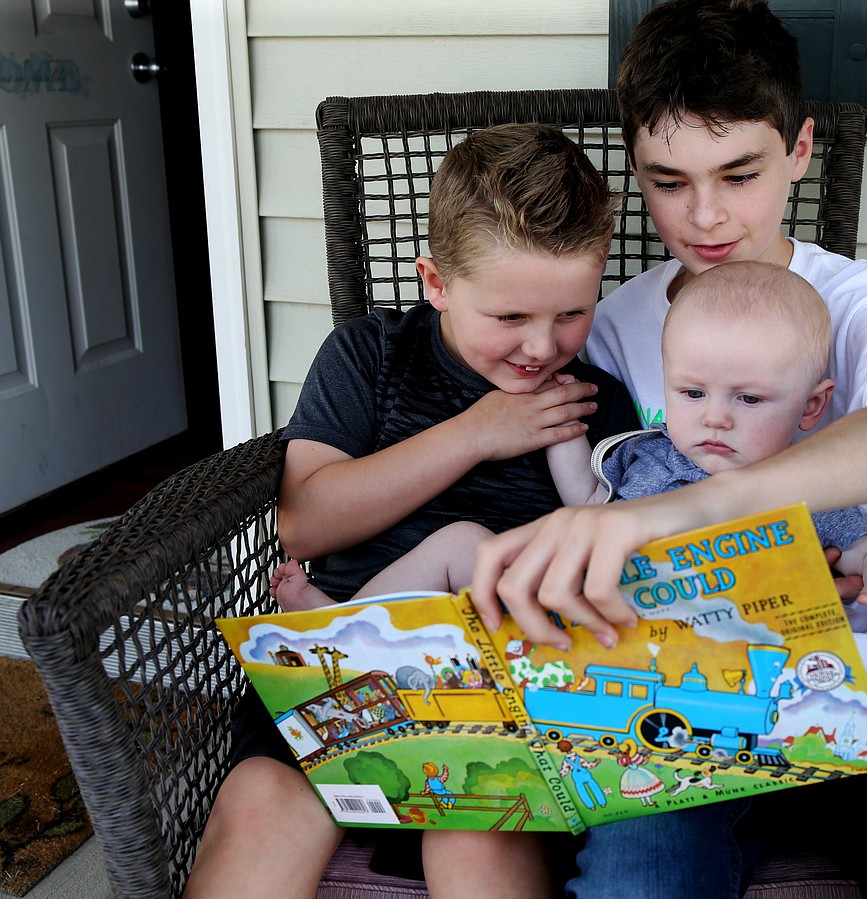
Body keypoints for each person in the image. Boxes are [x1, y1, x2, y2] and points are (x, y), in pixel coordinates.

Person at [468, 2, 867, 897]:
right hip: (675, 699)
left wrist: (704, 504)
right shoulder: (614, 323)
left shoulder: (854, 299)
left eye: (739, 172)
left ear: (799, 149)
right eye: (669, 180)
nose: (705, 215)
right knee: (641, 880)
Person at [185, 122, 640, 899]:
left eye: (571, 314)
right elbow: (305, 522)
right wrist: (475, 433)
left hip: (504, 706)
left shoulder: (594, 402)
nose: (542, 346)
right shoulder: (370, 355)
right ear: (435, 282)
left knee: (479, 834)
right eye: (509, 317)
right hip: (340, 679)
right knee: (262, 809)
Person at [273, 263, 867, 651]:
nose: (715, 416)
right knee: (464, 542)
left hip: (679, 657)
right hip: (587, 620)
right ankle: (337, 629)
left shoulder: (808, 485)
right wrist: (557, 420)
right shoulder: (642, 452)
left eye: (749, 400)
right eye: (691, 392)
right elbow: (587, 502)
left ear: (811, 409)